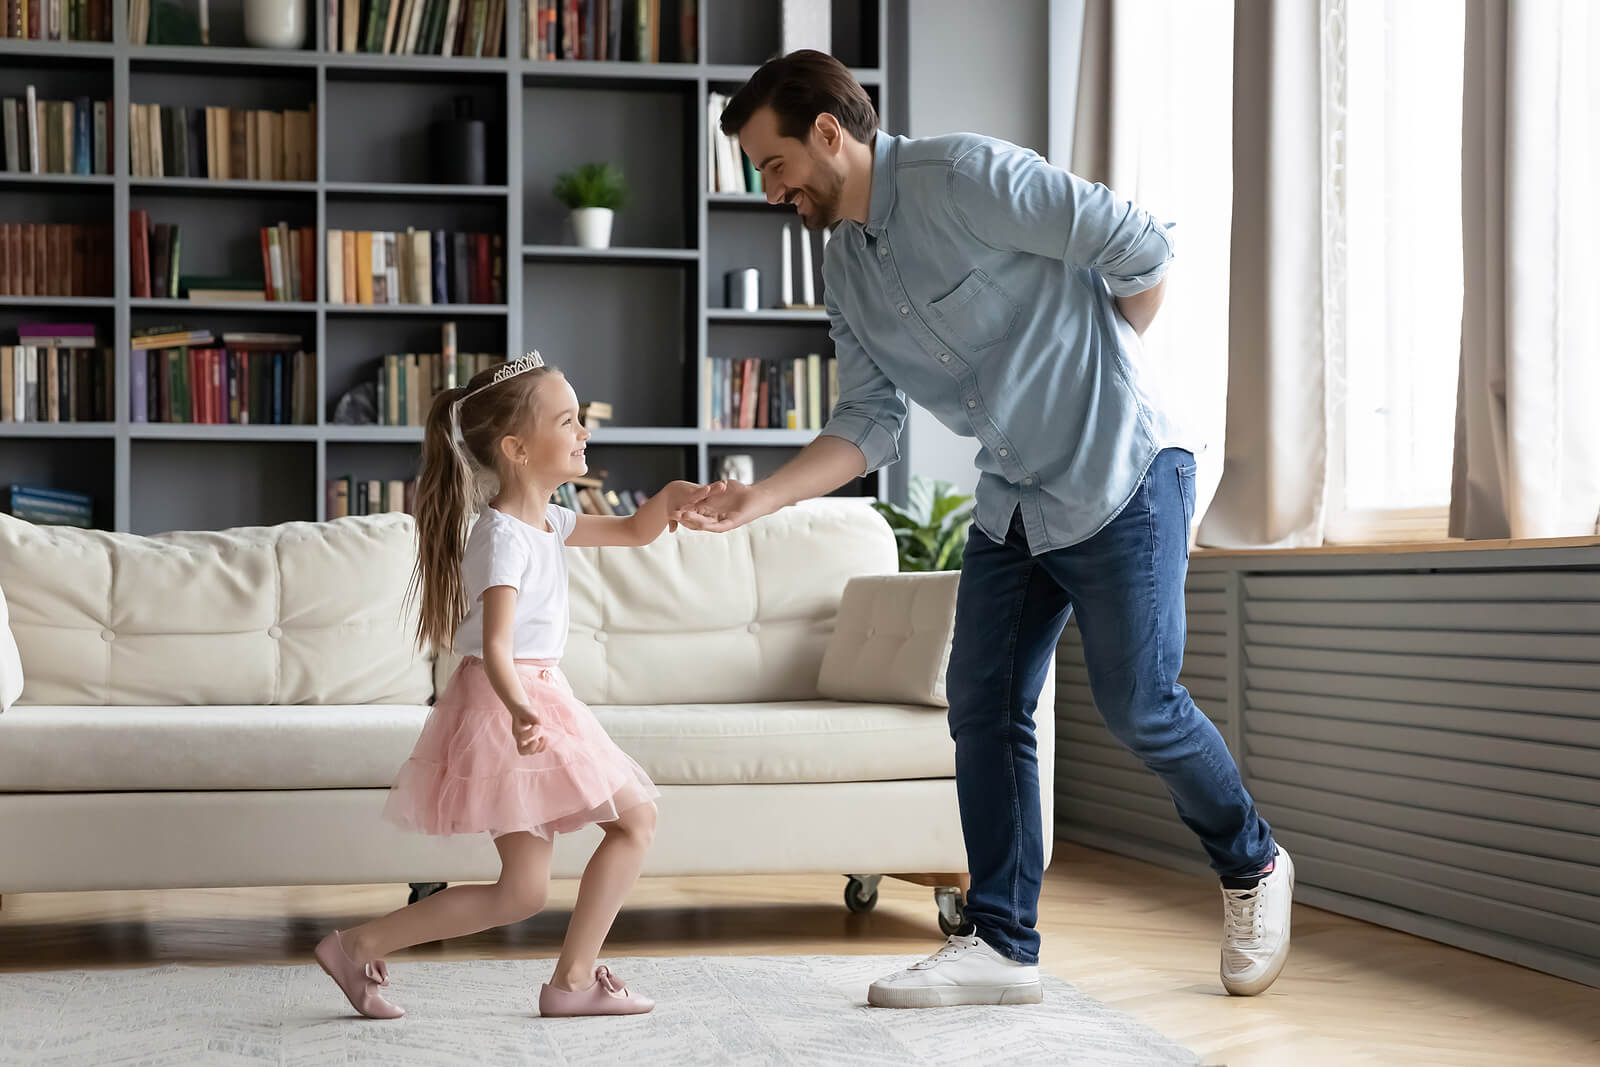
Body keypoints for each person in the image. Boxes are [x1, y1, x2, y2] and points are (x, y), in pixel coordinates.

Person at [683, 51, 1292, 1006]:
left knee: (1139, 703)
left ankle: (1253, 862)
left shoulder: (965, 176)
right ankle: (1003, 944)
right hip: (1016, 497)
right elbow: (870, 421)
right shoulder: (845, 264)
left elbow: (1141, 246)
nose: (770, 189)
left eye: (774, 163)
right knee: (984, 705)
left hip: (1124, 470)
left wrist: (1098, 365)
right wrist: (760, 497)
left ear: (829, 134)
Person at [313, 351, 709, 1019]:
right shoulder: (501, 538)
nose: (584, 431)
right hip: (509, 703)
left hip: (532, 696)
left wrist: (673, 498)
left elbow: (633, 529)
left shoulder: (549, 521)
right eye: (567, 420)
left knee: (523, 891)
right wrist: (523, 709)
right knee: (634, 820)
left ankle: (358, 946)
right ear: (517, 449)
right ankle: (571, 982)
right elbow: (495, 645)